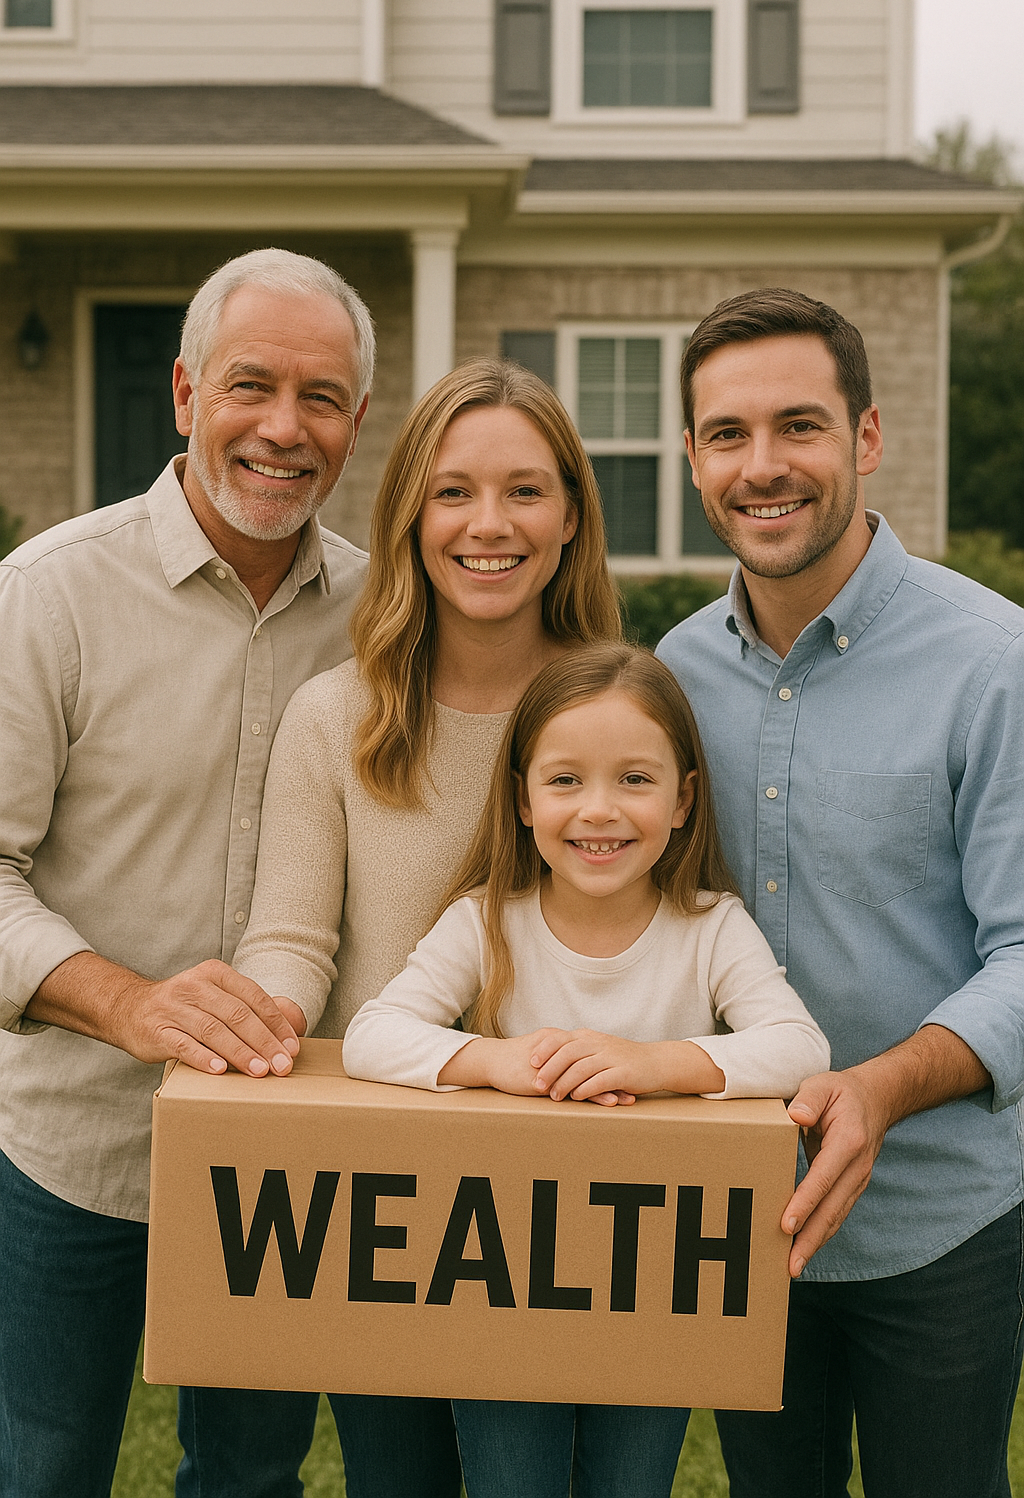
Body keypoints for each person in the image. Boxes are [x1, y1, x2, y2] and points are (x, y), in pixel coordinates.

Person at [0, 248, 375, 1498]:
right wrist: (128, 1002)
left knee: (253, 1477)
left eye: (321, 397)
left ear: (358, 422)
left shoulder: (387, 615)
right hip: (74, 1151)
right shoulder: (50, 596)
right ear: (182, 393)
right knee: (43, 1465)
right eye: (249, 386)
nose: (283, 427)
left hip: (288, 1161)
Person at [657, 287, 1024, 1498]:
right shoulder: (670, 677)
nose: (763, 467)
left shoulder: (992, 665)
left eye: (799, 427)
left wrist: (881, 1085)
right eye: (726, 435)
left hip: (943, 1224)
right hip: (738, 1219)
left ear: (865, 441)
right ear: (694, 458)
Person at [232, 357, 622, 1496]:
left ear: (569, 519)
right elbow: (294, 939)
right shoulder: (335, 714)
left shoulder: (621, 709)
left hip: (577, 1183)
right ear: (409, 514)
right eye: (452, 491)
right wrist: (270, 1024)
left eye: (524, 491)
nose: (486, 525)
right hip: (384, 1184)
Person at [342, 643, 830, 1498]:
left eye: (634, 780)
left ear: (683, 800)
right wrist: (498, 1062)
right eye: (565, 780)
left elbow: (799, 1048)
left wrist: (655, 1064)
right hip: (501, 1294)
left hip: (656, 1293)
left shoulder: (708, 927)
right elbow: (371, 1037)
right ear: (523, 798)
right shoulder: (487, 920)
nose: (598, 811)